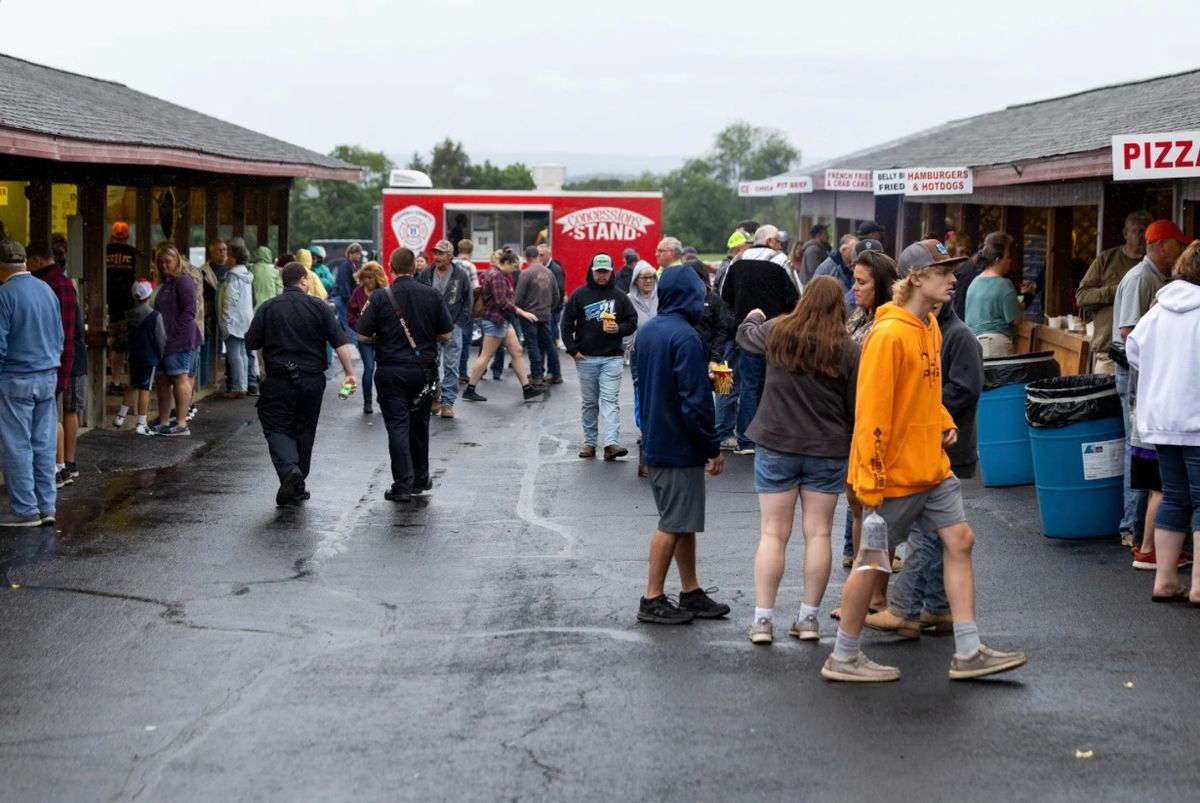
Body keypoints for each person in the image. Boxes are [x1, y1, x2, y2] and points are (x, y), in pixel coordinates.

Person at [822, 252, 1026, 682]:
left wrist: (945, 421)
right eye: (945, 273)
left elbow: (924, 393)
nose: (955, 280)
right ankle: (843, 655)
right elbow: (872, 412)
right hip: (894, 474)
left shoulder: (930, 326)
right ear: (917, 279)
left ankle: (968, 651)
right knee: (872, 561)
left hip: (931, 469)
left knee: (961, 540)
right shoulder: (889, 335)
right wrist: (871, 480)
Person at [737, 277, 860, 644]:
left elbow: (745, 336)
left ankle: (762, 621)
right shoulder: (849, 348)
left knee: (773, 533)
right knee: (819, 533)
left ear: (804, 299)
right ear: (840, 306)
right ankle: (808, 619)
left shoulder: (778, 331)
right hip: (827, 448)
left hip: (776, 443)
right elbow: (856, 407)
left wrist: (754, 315)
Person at [866, 299, 983, 638]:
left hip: (941, 453)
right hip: (917, 453)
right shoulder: (910, 329)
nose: (951, 282)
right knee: (928, 539)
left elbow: (962, 389)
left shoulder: (954, 334)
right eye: (943, 274)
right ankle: (935, 608)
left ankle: (905, 611)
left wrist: (934, 421)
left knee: (930, 539)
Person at [635, 265, 728, 624]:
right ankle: (652, 597)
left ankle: (690, 591)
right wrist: (712, 446)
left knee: (682, 520)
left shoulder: (649, 331)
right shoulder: (686, 337)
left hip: (658, 436)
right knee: (673, 521)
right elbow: (696, 400)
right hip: (680, 443)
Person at [246, 262, 355, 506]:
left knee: (276, 427)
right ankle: (298, 482)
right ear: (304, 280)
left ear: (283, 282)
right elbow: (339, 343)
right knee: (305, 429)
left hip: (278, 379)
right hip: (312, 380)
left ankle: (289, 471)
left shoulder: (268, 307)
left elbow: (251, 342)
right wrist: (349, 373)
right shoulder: (320, 307)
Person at [1127, 240, 1200, 602]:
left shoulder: (1159, 310)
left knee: (1175, 497)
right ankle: (1199, 584)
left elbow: (1133, 351)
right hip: (1196, 418)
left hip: (1160, 419)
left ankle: (1166, 580)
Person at [1112, 220, 1191, 554]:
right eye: (1177, 244)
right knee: (1141, 457)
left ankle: (1144, 532)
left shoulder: (1158, 281)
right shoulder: (1142, 278)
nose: (1179, 251)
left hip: (1149, 384)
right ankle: (1132, 527)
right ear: (1161, 245)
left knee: (1150, 461)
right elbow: (1129, 333)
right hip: (1136, 382)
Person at [355, 247, 453, 502]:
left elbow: (363, 334)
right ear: (414, 268)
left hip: (391, 370)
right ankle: (421, 478)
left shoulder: (379, 297)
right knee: (420, 424)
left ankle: (402, 484)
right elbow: (446, 334)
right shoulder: (432, 294)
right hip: (424, 371)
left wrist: (384, 337)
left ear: (390, 267)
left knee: (398, 426)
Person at [839, 249, 900, 567]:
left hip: (877, 427)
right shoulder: (859, 317)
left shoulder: (889, 325)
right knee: (858, 503)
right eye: (854, 281)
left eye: (862, 282)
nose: (854, 288)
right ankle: (863, 567)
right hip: (854, 423)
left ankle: (874, 576)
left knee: (875, 507)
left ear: (883, 285)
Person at [720, 224, 799, 455]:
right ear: (770, 241)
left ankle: (745, 439)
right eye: (778, 241)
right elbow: (798, 296)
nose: (780, 245)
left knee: (747, 386)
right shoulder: (781, 260)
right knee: (773, 385)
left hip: (746, 334)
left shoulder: (739, 259)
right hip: (776, 334)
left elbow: (725, 294)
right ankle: (768, 435)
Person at [0, 240, 62, 527]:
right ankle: (47, 506)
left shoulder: (5, 294)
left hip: (15, 377)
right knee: (44, 443)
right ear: (25, 261)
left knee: (17, 445)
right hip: (47, 374)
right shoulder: (47, 290)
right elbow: (59, 336)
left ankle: (26, 510)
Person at [561, 252, 638, 459]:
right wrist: (572, 350)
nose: (602, 276)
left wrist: (619, 328)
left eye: (605, 272)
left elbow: (632, 321)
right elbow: (566, 324)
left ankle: (611, 443)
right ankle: (589, 442)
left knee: (610, 400)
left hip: (612, 357)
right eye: (598, 272)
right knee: (589, 402)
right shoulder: (579, 295)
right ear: (592, 272)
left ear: (611, 272)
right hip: (586, 358)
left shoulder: (620, 296)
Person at [461, 250, 545, 403]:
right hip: (496, 320)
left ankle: (527, 389)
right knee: (486, 356)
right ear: (506, 263)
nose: (516, 269)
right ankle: (470, 389)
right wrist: (523, 313)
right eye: (514, 266)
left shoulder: (498, 274)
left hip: (501, 321)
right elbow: (502, 302)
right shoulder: (497, 276)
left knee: (517, 351)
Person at [1077, 211, 1153, 375]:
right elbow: (1082, 297)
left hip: (1145, 355)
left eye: (1147, 232)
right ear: (1125, 233)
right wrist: (1117, 291)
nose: (1143, 237)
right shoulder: (1106, 259)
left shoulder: (1154, 265)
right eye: (1138, 231)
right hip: (1109, 354)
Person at [26, 242, 77, 487]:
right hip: (64, 356)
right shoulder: (66, 283)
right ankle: (60, 468)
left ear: (35, 261)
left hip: (47, 360)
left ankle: (54, 471)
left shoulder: (43, 285)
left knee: (48, 420)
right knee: (52, 416)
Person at [417, 240, 472, 417]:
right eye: (435, 253)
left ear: (450, 256)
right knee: (430, 365)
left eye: (441, 254)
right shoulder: (426, 274)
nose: (437, 257)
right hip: (429, 329)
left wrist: (457, 324)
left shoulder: (460, 275)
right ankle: (435, 396)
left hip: (452, 329)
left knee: (451, 366)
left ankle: (448, 402)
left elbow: (467, 302)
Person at [151, 245, 200, 436]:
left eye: (168, 261)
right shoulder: (165, 283)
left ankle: (181, 422)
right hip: (163, 341)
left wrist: (173, 334)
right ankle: (164, 420)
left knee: (180, 378)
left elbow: (189, 311)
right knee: (163, 380)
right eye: (160, 262)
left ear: (177, 260)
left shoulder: (183, 281)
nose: (164, 265)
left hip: (181, 340)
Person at [113, 281, 166, 436]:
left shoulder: (129, 315)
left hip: (134, 356)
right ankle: (141, 423)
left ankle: (120, 416)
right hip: (149, 358)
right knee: (145, 389)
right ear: (149, 295)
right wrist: (160, 354)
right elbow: (161, 338)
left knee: (132, 385)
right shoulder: (155, 316)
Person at [963, 232, 1022, 356]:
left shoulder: (974, 283)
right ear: (998, 260)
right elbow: (1016, 320)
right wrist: (1021, 305)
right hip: (995, 345)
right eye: (1008, 256)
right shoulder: (1004, 284)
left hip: (973, 342)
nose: (1010, 261)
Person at [627, 260, 659, 476]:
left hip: (661, 352)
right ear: (636, 281)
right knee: (640, 390)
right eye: (644, 278)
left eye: (651, 277)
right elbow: (626, 326)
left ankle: (654, 429)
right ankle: (644, 427)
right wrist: (628, 345)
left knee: (659, 392)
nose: (648, 282)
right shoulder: (628, 301)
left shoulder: (662, 299)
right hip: (639, 353)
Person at [347, 261, 389, 415]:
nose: (367, 281)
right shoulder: (358, 292)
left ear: (377, 278)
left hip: (382, 337)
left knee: (382, 369)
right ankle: (367, 401)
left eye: (371, 278)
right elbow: (350, 313)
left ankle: (382, 397)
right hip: (364, 339)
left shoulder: (384, 292)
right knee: (369, 368)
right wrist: (358, 326)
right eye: (365, 278)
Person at [514, 245, 558, 390]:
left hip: (529, 315)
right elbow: (556, 295)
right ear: (538, 256)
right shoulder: (549, 273)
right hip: (545, 314)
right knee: (549, 344)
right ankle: (556, 373)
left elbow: (519, 298)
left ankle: (537, 375)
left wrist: (518, 310)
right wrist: (548, 308)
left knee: (533, 345)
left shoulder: (526, 274)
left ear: (527, 258)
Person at [105, 222, 137, 395]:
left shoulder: (105, 252)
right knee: (127, 346)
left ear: (112, 235)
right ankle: (132, 383)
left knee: (116, 346)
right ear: (127, 236)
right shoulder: (133, 254)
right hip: (130, 304)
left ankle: (115, 381)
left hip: (106, 304)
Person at [218, 243, 254, 398]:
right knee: (242, 353)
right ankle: (243, 385)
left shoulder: (232, 276)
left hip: (233, 321)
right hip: (245, 319)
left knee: (234, 354)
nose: (226, 258)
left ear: (234, 258)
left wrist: (225, 321)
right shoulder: (246, 275)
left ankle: (237, 387)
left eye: (229, 255)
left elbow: (229, 301)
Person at [538, 242, 567, 377]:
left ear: (549, 255)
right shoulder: (543, 268)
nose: (539, 257)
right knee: (545, 342)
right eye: (538, 255)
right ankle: (546, 371)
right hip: (547, 310)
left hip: (552, 311)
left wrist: (551, 308)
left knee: (549, 342)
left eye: (542, 255)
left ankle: (553, 372)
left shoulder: (554, 269)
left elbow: (560, 291)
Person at [329, 242, 363, 344]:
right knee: (348, 322)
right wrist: (349, 301)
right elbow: (344, 284)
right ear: (350, 254)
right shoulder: (346, 265)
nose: (359, 255)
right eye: (357, 253)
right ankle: (358, 344)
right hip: (342, 298)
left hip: (343, 297)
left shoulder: (352, 266)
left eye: (359, 253)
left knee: (339, 324)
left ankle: (335, 342)